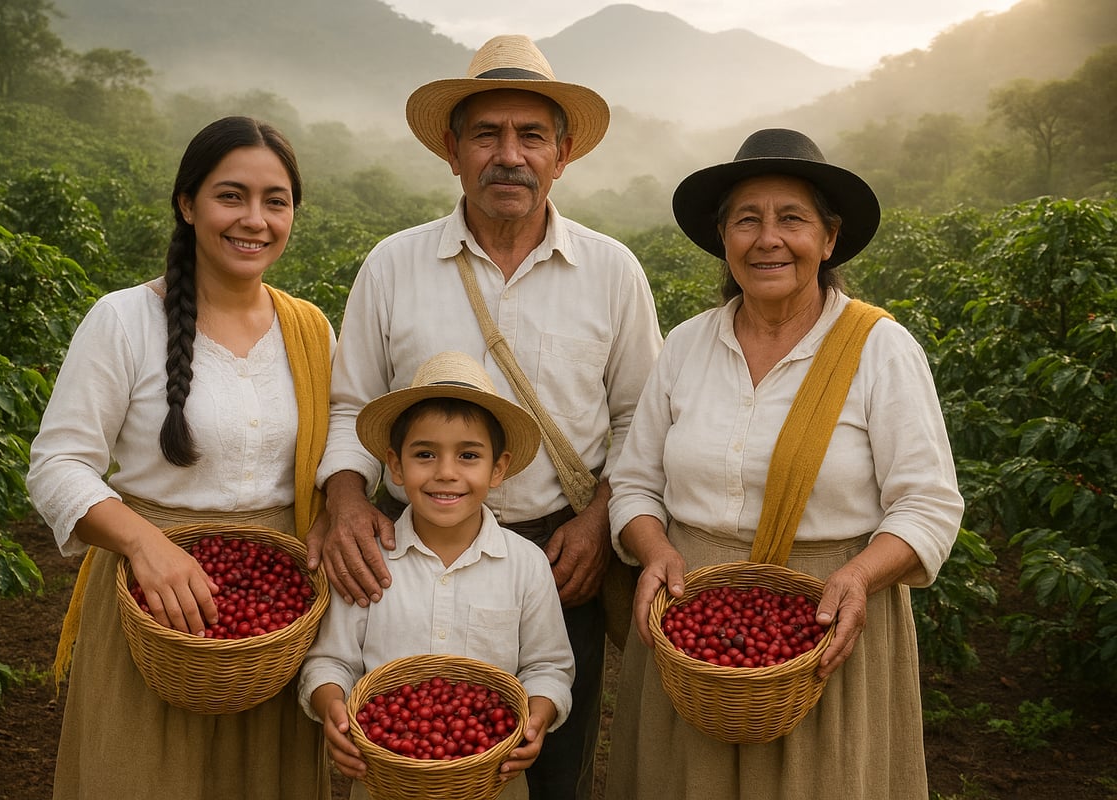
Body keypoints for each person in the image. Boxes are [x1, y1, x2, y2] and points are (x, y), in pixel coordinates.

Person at [308, 34, 663, 800]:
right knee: (399, 756)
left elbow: (643, 425)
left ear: (562, 155)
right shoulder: (394, 265)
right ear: (452, 149)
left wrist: (600, 522)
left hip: (555, 564)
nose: (510, 155)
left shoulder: (611, 273)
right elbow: (350, 404)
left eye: (531, 136)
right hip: (406, 566)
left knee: (549, 768)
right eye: (487, 135)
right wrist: (342, 499)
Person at [604, 128, 965, 799]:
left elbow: (929, 503)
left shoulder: (879, 348)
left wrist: (858, 578)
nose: (768, 238)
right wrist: (653, 550)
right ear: (723, 238)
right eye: (748, 220)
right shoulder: (686, 346)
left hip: (827, 625)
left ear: (828, 240)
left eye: (791, 219)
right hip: (693, 625)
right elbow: (634, 483)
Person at [25, 116, 335, 800]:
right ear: (187, 204)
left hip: (274, 617)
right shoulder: (123, 320)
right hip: (155, 607)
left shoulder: (309, 328)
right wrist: (145, 544)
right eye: (232, 196)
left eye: (275, 201)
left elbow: (332, 456)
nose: (255, 220)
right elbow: (57, 464)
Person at [300, 351, 576, 800]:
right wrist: (332, 707)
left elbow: (548, 667)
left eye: (468, 455)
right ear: (395, 464)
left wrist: (536, 717)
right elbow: (330, 661)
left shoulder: (526, 565)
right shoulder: (369, 561)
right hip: (385, 777)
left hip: (491, 778)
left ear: (498, 468)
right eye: (424, 454)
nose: (446, 473)